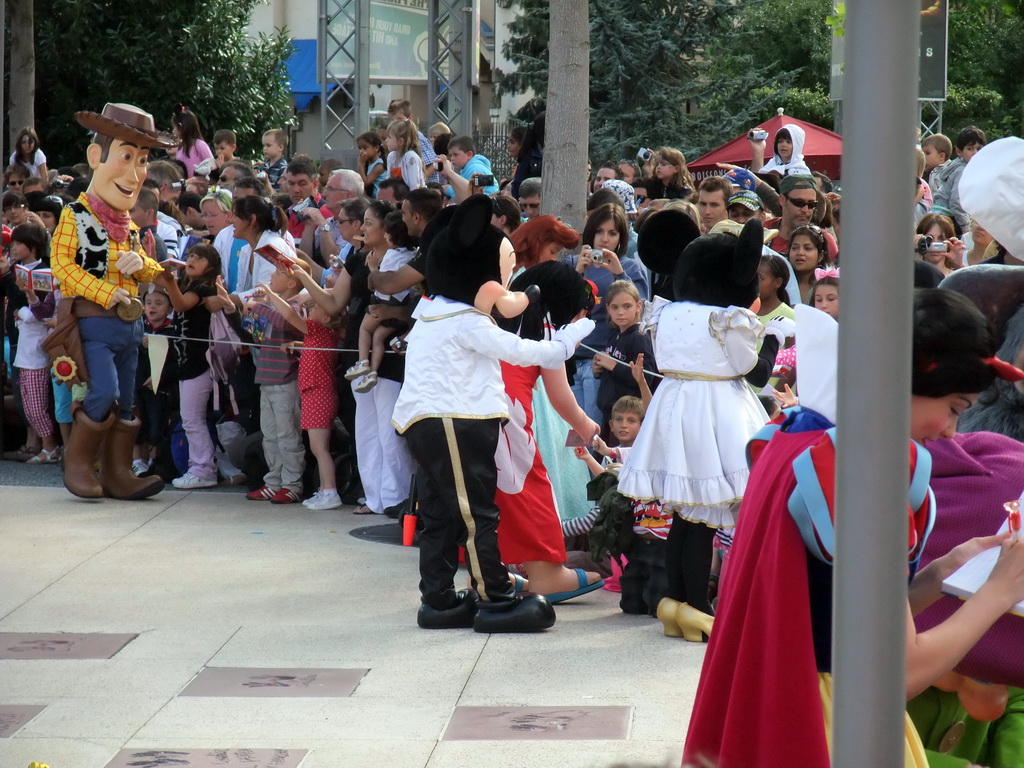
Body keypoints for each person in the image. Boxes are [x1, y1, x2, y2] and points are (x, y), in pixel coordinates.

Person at [684, 289, 1024, 768]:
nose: (952, 430)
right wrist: (999, 593)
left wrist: (944, 572)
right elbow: (895, 673)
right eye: (952, 406)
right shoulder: (865, 468)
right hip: (828, 721)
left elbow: (841, 617)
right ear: (913, 377)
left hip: (775, 697)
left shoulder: (798, 431)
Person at [391, 195, 596, 632]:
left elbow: (506, 309)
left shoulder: (429, 309)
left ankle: (440, 598)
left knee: (441, 513)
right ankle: (497, 598)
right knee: (476, 513)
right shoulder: (468, 320)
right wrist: (572, 335)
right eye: (501, 275)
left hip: (422, 421)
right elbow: (525, 351)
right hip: (456, 422)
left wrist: (517, 302)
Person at [618, 215, 773, 635]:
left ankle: (675, 604)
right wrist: (771, 344)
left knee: (683, 519)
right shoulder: (725, 318)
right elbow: (749, 368)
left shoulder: (667, 313)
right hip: (715, 409)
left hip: (674, 403)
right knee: (701, 520)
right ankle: (697, 606)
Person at [49, 102, 178, 501]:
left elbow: (144, 270)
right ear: (96, 157)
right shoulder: (76, 215)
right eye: (127, 156)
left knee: (125, 400)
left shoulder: (128, 225)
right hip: (94, 322)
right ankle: (79, 462)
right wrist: (106, 291)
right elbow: (61, 267)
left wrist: (145, 265)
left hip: (130, 326)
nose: (137, 172)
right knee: (102, 392)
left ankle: (119, 473)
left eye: (142, 160)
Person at [494, 261, 606, 601]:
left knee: (484, 495)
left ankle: (489, 571)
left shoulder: (493, 321)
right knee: (529, 486)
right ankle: (546, 572)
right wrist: (586, 426)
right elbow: (562, 397)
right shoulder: (546, 332)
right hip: (507, 416)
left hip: (466, 410)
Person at [569, 203, 650, 427]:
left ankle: (595, 464)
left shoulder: (630, 268)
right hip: (571, 360)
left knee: (593, 431)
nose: (605, 239)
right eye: (599, 231)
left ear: (621, 237)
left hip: (603, 363)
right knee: (571, 434)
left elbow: (638, 313)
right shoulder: (572, 264)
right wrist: (578, 273)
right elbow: (560, 310)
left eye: (612, 233)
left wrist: (619, 274)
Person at [153, 243, 221, 488]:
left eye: (200, 258)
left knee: (192, 418)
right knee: (190, 416)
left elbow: (181, 305)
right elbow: (160, 284)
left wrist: (170, 281)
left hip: (198, 362)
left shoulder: (204, 287)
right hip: (185, 361)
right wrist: (157, 269)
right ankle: (199, 466)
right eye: (191, 255)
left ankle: (203, 470)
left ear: (211, 267)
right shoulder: (186, 285)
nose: (192, 259)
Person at [241, 261, 308, 504]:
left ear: (292, 283)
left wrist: (262, 304)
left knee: (288, 435)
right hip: (266, 378)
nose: (272, 275)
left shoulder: (295, 305)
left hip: (285, 380)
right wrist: (251, 310)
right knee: (269, 436)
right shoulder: (271, 305)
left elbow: (286, 322)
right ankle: (274, 481)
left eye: (279, 273)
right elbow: (254, 332)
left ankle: (292, 484)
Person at [345, 210, 416, 393]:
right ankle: (373, 373)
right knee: (379, 337)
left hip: (383, 304)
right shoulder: (413, 254)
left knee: (365, 330)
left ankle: (362, 362)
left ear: (392, 237)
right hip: (401, 308)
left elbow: (375, 283)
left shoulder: (391, 256)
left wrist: (372, 268)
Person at [11, 222, 58, 464]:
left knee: (38, 404)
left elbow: (39, 313)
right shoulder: (14, 270)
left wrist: (23, 310)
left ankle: (50, 447)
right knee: (27, 403)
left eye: (19, 243)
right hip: (23, 343)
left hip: (39, 344)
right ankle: (46, 446)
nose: (14, 248)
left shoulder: (46, 271)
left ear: (32, 246)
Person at [592, 280, 657, 445]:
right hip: (611, 417)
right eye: (615, 307)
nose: (620, 312)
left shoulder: (640, 337)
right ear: (608, 309)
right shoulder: (615, 335)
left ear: (638, 306)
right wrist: (598, 369)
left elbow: (646, 379)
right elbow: (612, 373)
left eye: (627, 306)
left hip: (627, 422)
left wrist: (613, 365)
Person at [133, 285, 178, 476]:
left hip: (159, 386)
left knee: (156, 423)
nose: (152, 307)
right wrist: (140, 345)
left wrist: (162, 375)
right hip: (137, 383)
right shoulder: (137, 327)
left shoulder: (173, 331)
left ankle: (154, 459)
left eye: (159, 303)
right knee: (135, 421)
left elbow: (176, 361)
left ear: (169, 308)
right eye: (148, 303)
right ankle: (136, 460)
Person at [766, 175, 838, 261]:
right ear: (782, 200)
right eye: (799, 203)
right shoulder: (765, 230)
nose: (805, 210)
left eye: (811, 204)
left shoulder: (824, 240)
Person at [932, 125, 986, 234]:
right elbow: (956, 202)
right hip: (946, 217)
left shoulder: (969, 169)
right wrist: (966, 228)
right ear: (959, 151)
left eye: (979, 148)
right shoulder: (962, 171)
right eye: (970, 149)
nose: (975, 153)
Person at [786, 224, 832, 305]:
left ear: (820, 256)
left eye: (807, 248)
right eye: (794, 248)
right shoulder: (780, 283)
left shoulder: (828, 284)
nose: (800, 253)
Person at [168, 106, 213, 178]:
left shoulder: (199, 145)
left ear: (182, 127)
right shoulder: (180, 148)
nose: (173, 131)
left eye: (174, 127)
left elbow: (211, 164)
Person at [385, 119, 425, 190]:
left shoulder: (411, 157)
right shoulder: (391, 156)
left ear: (400, 141)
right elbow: (388, 181)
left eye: (389, 137)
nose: (386, 140)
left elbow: (414, 186)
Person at [356, 131, 385, 198]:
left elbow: (365, 183)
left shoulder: (379, 166)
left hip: (379, 199)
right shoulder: (368, 163)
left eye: (365, 148)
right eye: (360, 148)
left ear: (376, 148)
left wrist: (360, 164)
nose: (361, 151)